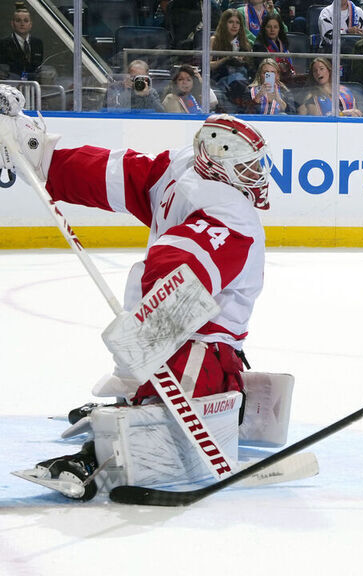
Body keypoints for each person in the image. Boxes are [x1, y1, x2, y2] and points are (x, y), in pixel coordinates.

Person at [0, 86, 273, 499]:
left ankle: (112, 436)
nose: (256, 175)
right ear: (214, 162)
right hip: (197, 353)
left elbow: (118, 179)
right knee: (174, 359)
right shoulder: (226, 210)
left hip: (191, 350)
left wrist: (137, 352)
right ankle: (121, 428)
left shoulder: (185, 175)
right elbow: (172, 270)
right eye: (247, 166)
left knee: (167, 358)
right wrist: (27, 145)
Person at [210, 9, 254, 113]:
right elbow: (208, 65)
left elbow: (251, 66)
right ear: (224, 24)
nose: (234, 26)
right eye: (231, 22)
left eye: (237, 23)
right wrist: (226, 58)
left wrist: (243, 60)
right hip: (221, 79)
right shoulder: (214, 40)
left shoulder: (245, 43)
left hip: (241, 79)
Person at [298, 57, 363, 116]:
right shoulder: (312, 98)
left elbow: (356, 113)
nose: (318, 73)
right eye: (315, 71)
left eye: (321, 69)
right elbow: (319, 121)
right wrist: (342, 114)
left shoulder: (345, 91)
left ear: (329, 70)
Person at [0, 5, 44, 81]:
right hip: (11, 84)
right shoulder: (3, 43)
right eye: (18, 20)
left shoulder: (38, 43)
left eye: (26, 21)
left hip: (33, 85)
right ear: (12, 24)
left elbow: (38, 67)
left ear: (30, 24)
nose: (22, 24)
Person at [251, 13, 295, 82]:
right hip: (268, 80)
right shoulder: (259, 46)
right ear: (264, 28)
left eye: (275, 27)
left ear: (279, 29)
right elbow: (262, 70)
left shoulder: (283, 43)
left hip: (285, 78)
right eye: (269, 27)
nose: (272, 30)